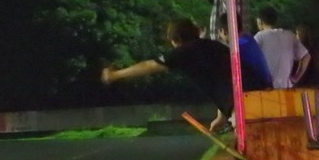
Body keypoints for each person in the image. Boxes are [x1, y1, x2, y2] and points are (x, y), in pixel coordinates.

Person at [101, 18, 266, 133]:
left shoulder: (185, 52)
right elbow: (224, 78)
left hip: (244, 104)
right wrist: (221, 117)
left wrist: (115, 75)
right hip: (260, 95)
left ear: (176, 40)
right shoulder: (213, 45)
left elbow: (149, 65)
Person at [253, 6, 310, 89]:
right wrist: (295, 78)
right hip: (286, 88)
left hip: (267, 89)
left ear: (259, 21)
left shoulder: (259, 37)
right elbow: (306, 56)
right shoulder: (290, 35)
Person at [217, 13, 272, 90]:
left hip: (255, 91)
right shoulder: (249, 40)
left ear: (223, 31)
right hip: (265, 87)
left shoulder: (238, 48)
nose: (220, 37)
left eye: (219, 33)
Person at [293, 23, 319, 88]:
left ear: (303, 35)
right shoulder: (317, 49)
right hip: (318, 84)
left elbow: (299, 71)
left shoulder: (302, 51)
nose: (295, 36)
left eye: (297, 34)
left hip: (304, 85)